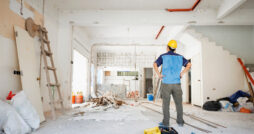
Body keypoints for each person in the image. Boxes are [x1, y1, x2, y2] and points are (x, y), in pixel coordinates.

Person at [153, 40, 191, 128]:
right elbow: (189, 64)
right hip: (177, 83)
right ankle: (180, 121)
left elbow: (155, 64)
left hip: (166, 83)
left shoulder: (163, 56)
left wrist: (159, 74)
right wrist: (182, 73)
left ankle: (166, 123)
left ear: (168, 47)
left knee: (166, 104)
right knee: (179, 103)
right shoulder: (180, 57)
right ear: (175, 49)